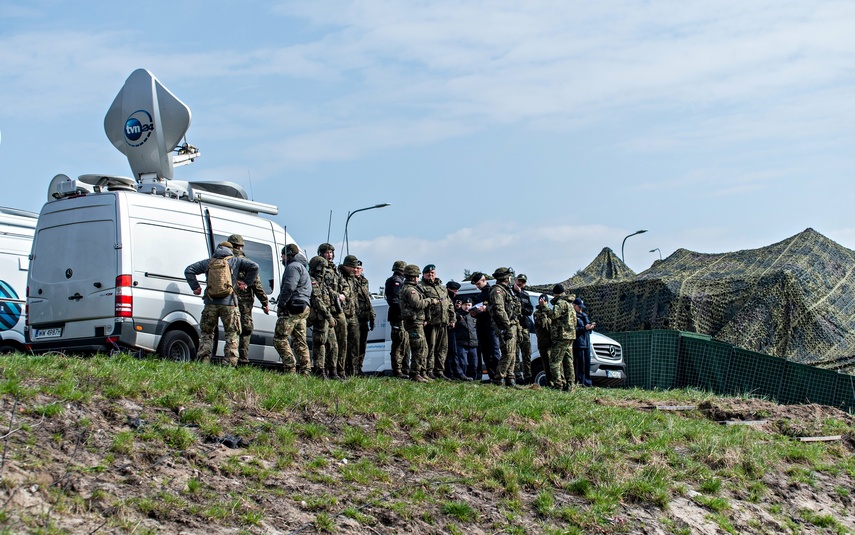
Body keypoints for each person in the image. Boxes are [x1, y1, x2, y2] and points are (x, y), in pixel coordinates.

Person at [184, 241, 259, 366]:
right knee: (231, 334)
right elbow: (254, 266)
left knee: (207, 333)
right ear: (230, 250)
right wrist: (245, 283)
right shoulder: (235, 261)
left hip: (210, 302)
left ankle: (204, 361)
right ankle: (229, 363)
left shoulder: (208, 262)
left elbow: (189, 270)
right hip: (229, 303)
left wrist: (195, 287)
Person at [226, 234, 270, 364]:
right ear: (241, 246)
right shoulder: (246, 262)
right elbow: (256, 285)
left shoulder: (224, 260)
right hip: (243, 301)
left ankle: (229, 358)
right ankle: (243, 359)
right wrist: (265, 302)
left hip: (226, 300)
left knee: (231, 329)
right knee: (245, 329)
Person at [273, 244, 312, 374]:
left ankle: (290, 368)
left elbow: (289, 287)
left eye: (283, 255)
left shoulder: (292, 267)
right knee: (300, 341)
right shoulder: (304, 268)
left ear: (289, 255)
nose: (282, 258)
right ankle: (306, 371)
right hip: (304, 307)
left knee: (280, 338)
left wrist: (281, 304)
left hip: (293, 307)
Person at [400, 264, 438, 382]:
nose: (418, 278)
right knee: (419, 348)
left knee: (424, 348)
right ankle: (415, 373)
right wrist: (431, 301)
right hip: (413, 322)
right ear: (413, 277)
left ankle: (422, 372)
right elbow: (417, 304)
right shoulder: (410, 290)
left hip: (418, 321)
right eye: (417, 276)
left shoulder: (414, 288)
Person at [318, 243, 348, 378]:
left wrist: (343, 294)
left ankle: (339, 369)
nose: (329, 255)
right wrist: (335, 294)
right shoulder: (319, 267)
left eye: (331, 252)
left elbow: (345, 285)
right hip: (327, 307)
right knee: (326, 341)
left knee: (342, 340)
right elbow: (322, 286)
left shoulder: (336, 269)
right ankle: (324, 369)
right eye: (326, 252)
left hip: (338, 307)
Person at [488, 267, 521, 387]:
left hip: (512, 324)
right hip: (505, 326)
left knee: (512, 354)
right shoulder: (497, 291)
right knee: (507, 353)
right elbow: (499, 310)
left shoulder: (507, 290)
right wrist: (507, 327)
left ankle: (510, 379)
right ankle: (498, 378)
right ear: (505, 277)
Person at [420, 264, 454, 380]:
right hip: (431, 322)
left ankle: (439, 370)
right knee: (430, 348)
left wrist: (452, 318)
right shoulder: (421, 287)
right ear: (423, 274)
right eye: (428, 273)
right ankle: (429, 370)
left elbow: (449, 304)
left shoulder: (441, 287)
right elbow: (421, 304)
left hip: (443, 322)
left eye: (433, 273)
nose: (431, 275)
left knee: (442, 348)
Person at [307, 255, 337, 379]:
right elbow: (318, 301)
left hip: (326, 316)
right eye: (323, 268)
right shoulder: (312, 280)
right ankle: (320, 370)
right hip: (319, 317)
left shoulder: (322, 282)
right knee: (320, 344)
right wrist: (329, 316)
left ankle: (333, 370)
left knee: (333, 344)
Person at [469, 271, 500, 381]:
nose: (478, 286)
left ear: (484, 280)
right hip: (481, 326)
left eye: (478, 284)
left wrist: (486, 309)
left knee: (495, 352)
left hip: (491, 326)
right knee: (485, 353)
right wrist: (474, 313)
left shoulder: (493, 292)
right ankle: (492, 376)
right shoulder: (478, 296)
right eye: (476, 285)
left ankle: (499, 376)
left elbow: (498, 307)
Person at [548, 284, 577, 390]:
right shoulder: (570, 303)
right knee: (568, 361)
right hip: (570, 336)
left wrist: (545, 307)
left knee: (554, 361)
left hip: (561, 336)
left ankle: (558, 384)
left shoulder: (561, 302)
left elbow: (553, 315)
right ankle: (570, 385)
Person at [384, 260, 410, 378]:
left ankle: (404, 368)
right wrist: (404, 311)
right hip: (398, 316)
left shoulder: (399, 281)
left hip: (401, 317)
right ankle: (398, 369)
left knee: (405, 343)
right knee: (399, 343)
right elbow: (395, 300)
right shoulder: (396, 281)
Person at [354, 261, 376, 377]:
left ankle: (359, 368)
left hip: (364, 317)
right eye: (355, 268)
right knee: (354, 345)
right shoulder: (350, 281)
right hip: (355, 317)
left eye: (359, 268)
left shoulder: (364, 281)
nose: (357, 270)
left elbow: (368, 300)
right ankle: (352, 368)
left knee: (362, 345)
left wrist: (372, 317)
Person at [513, 273, 534, 384]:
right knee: (515, 353)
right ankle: (517, 376)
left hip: (524, 327)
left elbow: (529, 310)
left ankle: (528, 376)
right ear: (516, 280)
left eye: (523, 282)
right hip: (515, 327)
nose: (520, 283)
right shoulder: (510, 292)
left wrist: (522, 308)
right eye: (519, 281)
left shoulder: (525, 294)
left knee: (527, 352)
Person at [453, 297, 478, 380]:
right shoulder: (458, 315)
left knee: (474, 364)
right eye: (465, 305)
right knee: (463, 363)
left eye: (469, 305)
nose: (467, 307)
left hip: (473, 344)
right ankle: (462, 378)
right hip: (462, 343)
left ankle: (472, 379)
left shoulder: (475, 316)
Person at [573, 297, 595, 387]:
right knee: (580, 364)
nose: (581, 309)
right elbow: (573, 330)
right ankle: (580, 382)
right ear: (574, 306)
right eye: (579, 307)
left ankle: (587, 382)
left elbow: (588, 328)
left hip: (586, 342)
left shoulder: (584, 315)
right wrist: (584, 328)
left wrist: (590, 327)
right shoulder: (573, 316)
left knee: (587, 364)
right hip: (578, 343)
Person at [533, 293, 553, 387]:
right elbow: (544, 324)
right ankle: (549, 382)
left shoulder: (551, 312)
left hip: (552, 342)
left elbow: (552, 323)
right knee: (546, 364)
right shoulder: (537, 313)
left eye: (543, 300)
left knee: (554, 363)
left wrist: (546, 309)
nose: (541, 302)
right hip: (542, 342)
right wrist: (544, 311)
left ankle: (557, 381)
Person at [445, 280, 461, 377]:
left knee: (453, 352)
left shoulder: (452, 300)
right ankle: (451, 373)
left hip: (452, 329)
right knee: (450, 352)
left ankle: (455, 373)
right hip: (447, 329)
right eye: (454, 291)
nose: (456, 293)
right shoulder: (445, 299)